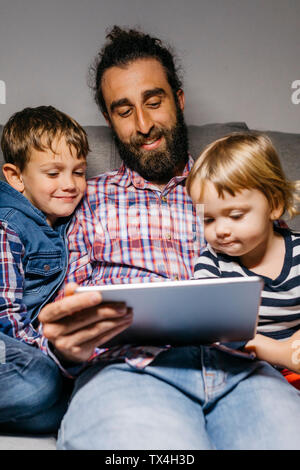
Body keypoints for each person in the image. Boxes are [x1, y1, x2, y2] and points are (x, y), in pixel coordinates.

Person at [39, 27, 300, 450]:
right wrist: (67, 347)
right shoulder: (84, 198)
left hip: (243, 370)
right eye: (124, 111)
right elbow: (65, 307)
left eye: (153, 101)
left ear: (178, 100)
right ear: (109, 120)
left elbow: (282, 262)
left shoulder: (236, 183)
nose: (143, 124)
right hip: (131, 372)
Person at [186, 132, 300, 388]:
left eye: (235, 216)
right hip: (243, 372)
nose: (220, 230)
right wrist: (272, 349)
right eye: (208, 220)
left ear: (275, 205)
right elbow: (211, 326)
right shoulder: (213, 263)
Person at [0, 105, 89, 433]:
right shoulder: (7, 225)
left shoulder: (62, 219)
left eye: (78, 172)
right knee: (40, 382)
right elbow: (6, 318)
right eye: (53, 173)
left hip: (19, 348)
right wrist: (55, 356)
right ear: (16, 177)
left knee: (57, 414)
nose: (70, 184)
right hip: (5, 336)